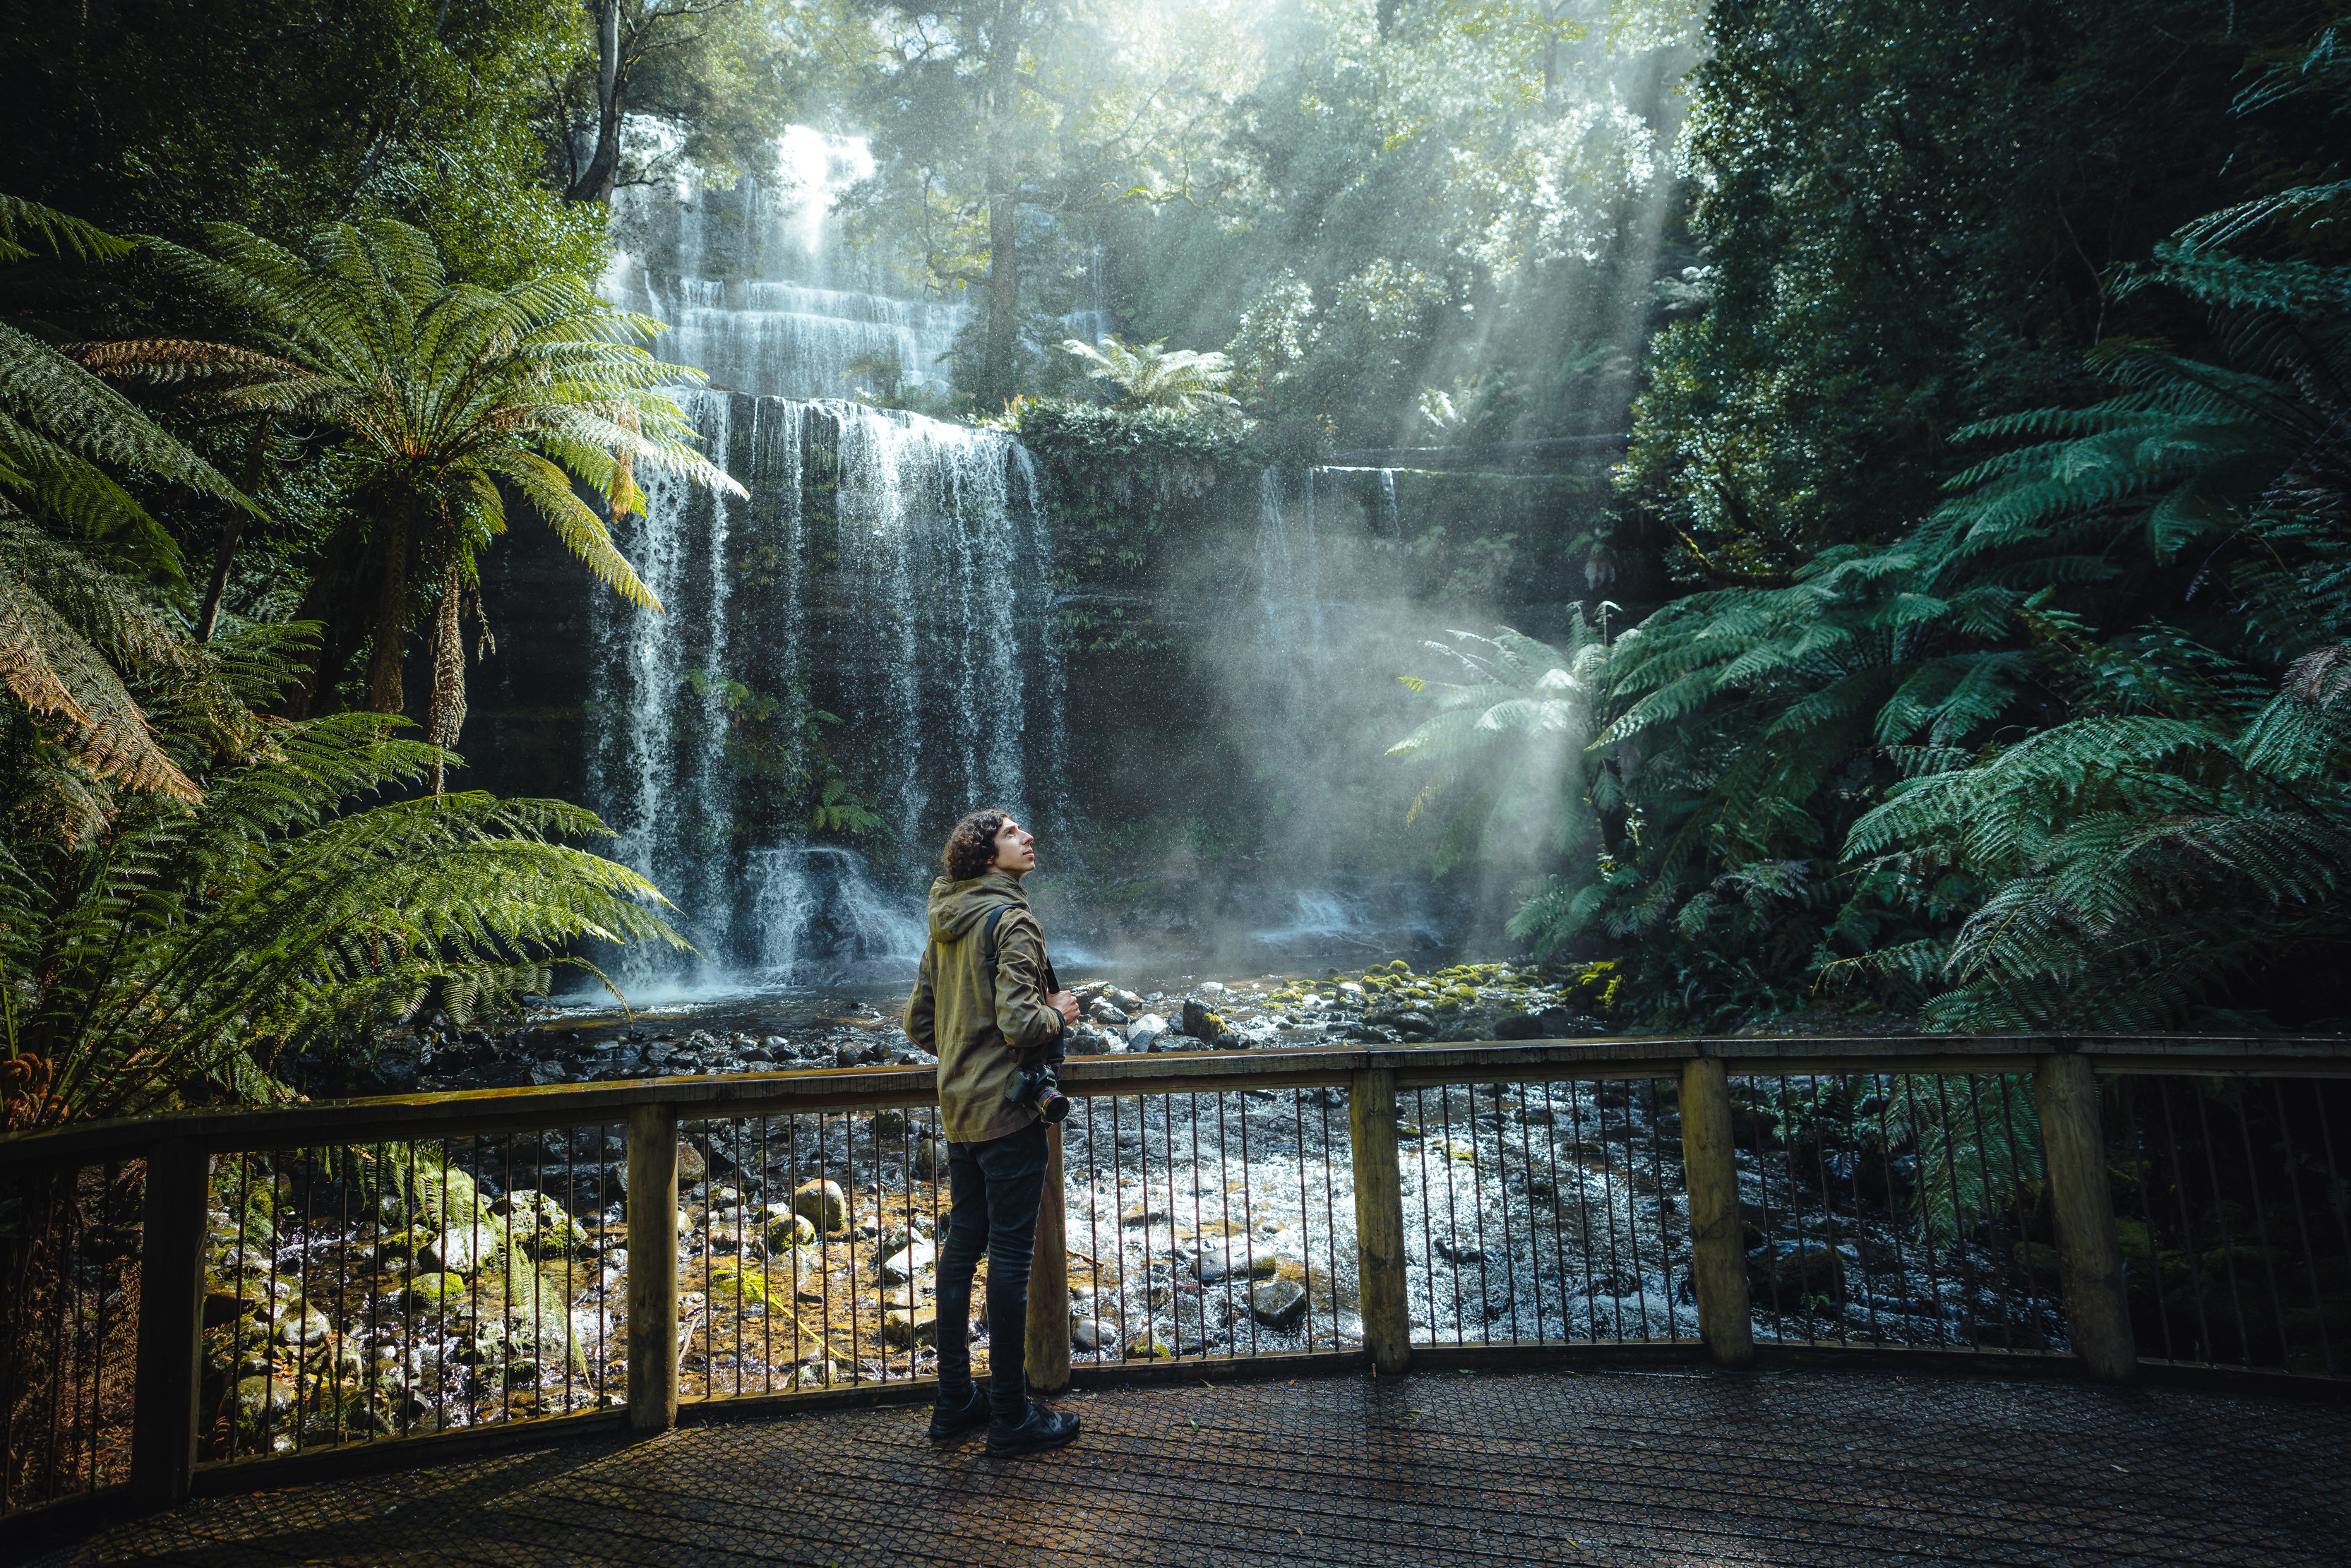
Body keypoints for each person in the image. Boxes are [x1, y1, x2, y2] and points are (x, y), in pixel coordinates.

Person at [902, 808, 1083, 1456]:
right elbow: (1020, 1021)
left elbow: (918, 1023)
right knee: (1009, 1257)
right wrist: (1057, 1014)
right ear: (986, 857)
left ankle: (955, 1399)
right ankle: (1010, 1415)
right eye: (1012, 833)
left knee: (963, 1247)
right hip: (1007, 1114)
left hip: (958, 1112)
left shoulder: (946, 923)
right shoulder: (1011, 919)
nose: (1028, 836)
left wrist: (962, 1050)